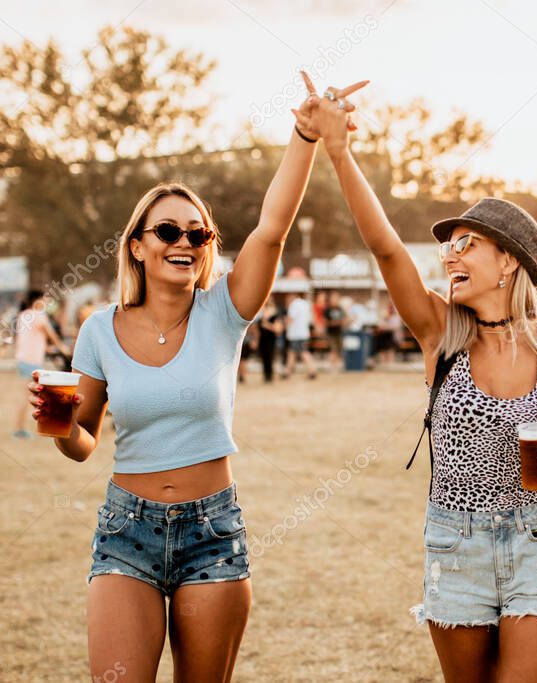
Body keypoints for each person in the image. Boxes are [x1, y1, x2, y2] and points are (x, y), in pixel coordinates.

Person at [24, 71, 338, 681]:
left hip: (212, 530)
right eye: (168, 231)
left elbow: (271, 229)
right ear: (137, 246)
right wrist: (59, 426)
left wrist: (302, 135)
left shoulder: (223, 311)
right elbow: (82, 443)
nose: (185, 242)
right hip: (126, 531)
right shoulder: (97, 330)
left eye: (198, 234)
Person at [298, 76, 537, 683]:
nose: (450, 255)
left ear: (508, 261)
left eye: (467, 244)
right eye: (448, 247)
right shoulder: (440, 331)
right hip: (454, 544)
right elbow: (385, 250)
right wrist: (338, 152)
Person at [13, 290, 71, 438]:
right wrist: (63, 348)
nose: (46, 303)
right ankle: (19, 429)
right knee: (28, 396)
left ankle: (22, 428)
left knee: (28, 394)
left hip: (22, 358)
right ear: (37, 301)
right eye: (44, 300)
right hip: (31, 360)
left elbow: (30, 338)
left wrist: (47, 348)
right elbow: (52, 336)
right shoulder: (39, 316)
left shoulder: (23, 315)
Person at [284, 292, 316, 379]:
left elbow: (291, 319)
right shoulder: (306, 304)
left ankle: (312, 370)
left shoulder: (294, 305)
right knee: (292, 353)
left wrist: (284, 326)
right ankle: (287, 372)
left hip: (296, 334)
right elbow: (311, 319)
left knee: (302, 352)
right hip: (304, 333)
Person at [257, 300, 284, 383]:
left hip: (271, 340)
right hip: (262, 340)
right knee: (264, 358)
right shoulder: (261, 318)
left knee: (270, 358)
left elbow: (278, 329)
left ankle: (270, 376)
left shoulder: (275, 317)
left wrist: (267, 325)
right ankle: (265, 375)